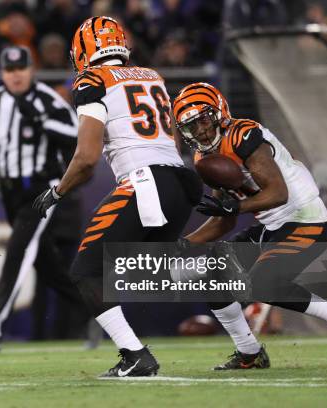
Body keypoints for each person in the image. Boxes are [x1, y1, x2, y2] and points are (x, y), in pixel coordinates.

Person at [33, 16, 202, 377]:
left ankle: (135, 354)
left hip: (145, 181)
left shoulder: (92, 80)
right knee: (148, 271)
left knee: (85, 272)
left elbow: (87, 158)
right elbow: (170, 141)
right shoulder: (151, 75)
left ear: (83, 50)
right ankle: (225, 276)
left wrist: (57, 191)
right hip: (180, 180)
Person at [173, 82, 327, 369]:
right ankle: (250, 353)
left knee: (263, 283)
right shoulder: (205, 158)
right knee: (213, 275)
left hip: (304, 219)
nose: (201, 131)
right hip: (272, 227)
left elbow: (277, 193)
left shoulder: (244, 135)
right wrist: (183, 245)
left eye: (203, 120)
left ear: (219, 112)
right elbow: (224, 219)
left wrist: (236, 205)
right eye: (192, 128)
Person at [0, 45, 83, 352]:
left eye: (20, 69)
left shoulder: (47, 99)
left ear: (30, 69)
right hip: (9, 191)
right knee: (48, 268)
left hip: (42, 188)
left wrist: (42, 121)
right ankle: (97, 311)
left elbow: (77, 134)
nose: (15, 76)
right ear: (3, 72)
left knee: (16, 253)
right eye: (9, 70)